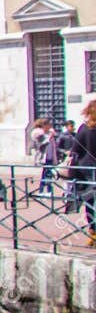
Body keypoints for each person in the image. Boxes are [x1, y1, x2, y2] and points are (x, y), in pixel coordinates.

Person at [66, 99, 96, 246]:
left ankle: (93, 234)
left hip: (87, 170)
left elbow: (75, 150)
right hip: (90, 170)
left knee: (90, 202)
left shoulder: (84, 129)